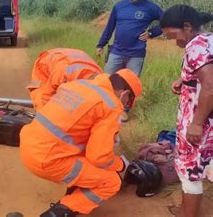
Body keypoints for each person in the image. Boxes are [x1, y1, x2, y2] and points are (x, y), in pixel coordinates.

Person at [20, 69, 142, 216]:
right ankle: (57, 213)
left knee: (87, 161)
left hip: (28, 145)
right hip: (48, 160)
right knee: (111, 182)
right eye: (128, 103)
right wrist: (121, 164)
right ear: (125, 94)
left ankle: (72, 195)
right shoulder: (111, 105)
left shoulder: (78, 85)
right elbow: (99, 158)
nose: (125, 107)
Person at [159, 5, 213, 217]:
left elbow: (209, 86)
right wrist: (186, 80)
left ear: (187, 27)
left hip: (201, 120)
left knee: (189, 169)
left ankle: (186, 215)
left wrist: (197, 123)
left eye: (173, 35)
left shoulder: (195, 47)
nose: (175, 41)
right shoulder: (208, 40)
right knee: (202, 164)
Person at [96, 0, 163, 122]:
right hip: (116, 52)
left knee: (130, 84)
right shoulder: (119, 6)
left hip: (136, 54)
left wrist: (152, 33)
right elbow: (110, 27)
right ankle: (103, 108)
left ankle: (123, 111)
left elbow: (167, 21)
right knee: (106, 80)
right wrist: (101, 44)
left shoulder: (151, 7)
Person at [27, 48, 102, 111]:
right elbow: (47, 95)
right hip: (44, 64)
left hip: (69, 55)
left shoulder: (100, 78)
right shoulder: (62, 73)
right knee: (42, 103)